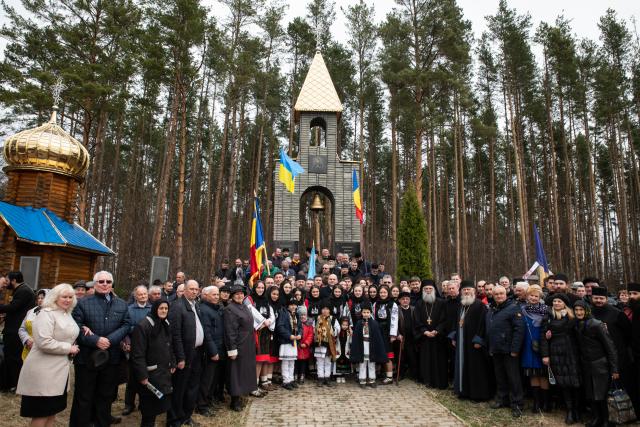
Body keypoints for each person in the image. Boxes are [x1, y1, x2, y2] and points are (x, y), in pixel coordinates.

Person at [70, 271, 130, 427]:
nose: (105, 284)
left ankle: (102, 423)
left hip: (111, 358)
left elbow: (126, 325)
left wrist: (109, 340)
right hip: (86, 358)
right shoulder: (82, 303)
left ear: (112, 284)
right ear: (95, 284)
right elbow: (75, 327)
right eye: (101, 281)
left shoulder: (121, 304)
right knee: (84, 396)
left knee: (105, 395)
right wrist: (95, 340)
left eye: (108, 282)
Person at [16, 284, 78, 427]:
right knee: (41, 413)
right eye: (64, 297)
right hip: (44, 372)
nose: (68, 300)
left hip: (59, 371)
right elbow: (44, 342)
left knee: (52, 412)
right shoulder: (46, 313)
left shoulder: (66, 313)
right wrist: (69, 348)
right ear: (55, 297)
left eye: (70, 297)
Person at [573, 300, 619, 427]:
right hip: (586, 364)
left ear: (587, 310)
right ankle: (596, 418)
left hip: (600, 364)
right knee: (591, 394)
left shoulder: (596, 324)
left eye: (581, 310)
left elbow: (610, 347)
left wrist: (614, 369)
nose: (579, 312)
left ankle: (606, 420)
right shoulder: (576, 324)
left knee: (602, 394)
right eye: (576, 310)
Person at [130, 300, 175, 427]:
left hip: (163, 373)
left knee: (158, 405)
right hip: (150, 374)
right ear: (155, 309)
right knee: (149, 409)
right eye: (161, 308)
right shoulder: (143, 326)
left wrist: (173, 362)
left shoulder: (165, 323)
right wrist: (142, 375)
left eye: (166, 308)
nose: (164, 311)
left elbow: (170, 346)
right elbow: (137, 354)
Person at [590, 285, 635, 410]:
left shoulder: (617, 314)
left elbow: (628, 334)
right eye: (596, 298)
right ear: (591, 298)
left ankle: (624, 411)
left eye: (601, 298)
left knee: (620, 386)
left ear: (606, 299)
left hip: (618, 355)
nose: (598, 300)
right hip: (597, 357)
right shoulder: (589, 312)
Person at [167, 280, 204, 427]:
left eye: (196, 289)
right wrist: (180, 357)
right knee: (179, 389)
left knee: (192, 387)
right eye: (191, 289)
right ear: (184, 290)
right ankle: (174, 420)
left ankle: (186, 416)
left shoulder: (196, 305)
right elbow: (175, 335)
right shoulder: (177, 307)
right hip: (184, 355)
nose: (194, 292)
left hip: (196, 353)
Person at [541, 293, 581, 424]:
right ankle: (569, 410)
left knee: (575, 381)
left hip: (572, 352)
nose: (556, 303)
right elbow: (543, 338)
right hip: (556, 352)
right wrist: (545, 355)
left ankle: (577, 410)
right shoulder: (548, 317)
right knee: (563, 382)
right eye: (555, 301)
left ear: (565, 303)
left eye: (559, 301)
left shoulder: (572, 317)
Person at [450, 281, 493, 401]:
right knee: (463, 366)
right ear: (461, 292)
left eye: (469, 289)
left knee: (476, 368)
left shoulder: (480, 306)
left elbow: (484, 325)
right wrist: (454, 337)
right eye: (464, 290)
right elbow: (456, 323)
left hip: (474, 344)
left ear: (474, 291)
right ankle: (464, 391)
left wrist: (479, 340)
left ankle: (478, 395)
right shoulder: (461, 305)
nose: (467, 292)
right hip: (462, 342)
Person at [486, 285, 525, 418]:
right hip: (496, 349)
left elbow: (519, 330)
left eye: (501, 293)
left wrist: (515, 350)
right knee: (500, 377)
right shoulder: (492, 309)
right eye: (496, 294)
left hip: (509, 351)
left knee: (513, 378)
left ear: (506, 294)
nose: (498, 296)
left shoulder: (513, 308)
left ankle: (517, 404)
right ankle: (502, 399)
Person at [0, 271, 36, 391]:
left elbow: (13, 308)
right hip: (13, 328)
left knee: (13, 358)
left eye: (7, 280)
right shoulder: (20, 290)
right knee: (10, 357)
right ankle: (9, 383)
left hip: (16, 331)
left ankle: (14, 384)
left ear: (14, 280)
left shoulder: (23, 291)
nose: (6, 283)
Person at [224, 285, 258, 411]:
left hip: (247, 344)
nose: (239, 296)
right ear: (232, 296)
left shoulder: (244, 306)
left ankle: (241, 395)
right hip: (238, 345)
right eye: (237, 294)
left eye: (241, 294)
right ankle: (234, 401)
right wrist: (232, 349)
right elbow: (230, 331)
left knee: (244, 371)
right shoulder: (230, 309)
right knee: (235, 373)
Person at [196, 286, 226, 416]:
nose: (216, 297)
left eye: (217, 294)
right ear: (206, 295)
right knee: (207, 380)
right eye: (213, 295)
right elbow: (207, 333)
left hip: (219, 349)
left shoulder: (216, 309)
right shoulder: (204, 310)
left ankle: (208, 401)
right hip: (210, 352)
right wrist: (213, 352)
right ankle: (201, 406)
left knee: (213, 380)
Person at [413, 280, 448, 388]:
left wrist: (437, 330)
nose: (428, 291)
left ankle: (439, 381)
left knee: (439, 360)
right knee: (425, 360)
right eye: (425, 289)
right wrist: (425, 331)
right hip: (425, 338)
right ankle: (426, 380)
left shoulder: (441, 302)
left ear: (434, 290)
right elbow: (416, 320)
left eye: (430, 289)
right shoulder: (419, 303)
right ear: (422, 290)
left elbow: (445, 319)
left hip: (438, 338)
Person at [123, 285, 152, 416]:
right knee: (132, 379)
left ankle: (143, 403)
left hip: (149, 349)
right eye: (140, 294)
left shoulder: (152, 309)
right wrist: (127, 343)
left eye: (145, 294)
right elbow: (124, 329)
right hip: (133, 349)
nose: (143, 296)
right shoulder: (128, 310)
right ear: (135, 296)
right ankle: (129, 404)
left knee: (146, 377)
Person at [520, 285, 549, 413]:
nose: (533, 298)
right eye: (531, 295)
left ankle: (545, 402)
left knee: (543, 374)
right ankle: (536, 402)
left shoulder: (546, 310)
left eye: (536, 296)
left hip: (542, 344)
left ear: (540, 297)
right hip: (528, 344)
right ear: (527, 296)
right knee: (532, 373)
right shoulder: (522, 310)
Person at [247, 281, 275, 396]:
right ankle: (253, 385)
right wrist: (262, 323)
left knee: (263, 359)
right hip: (256, 332)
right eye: (258, 287)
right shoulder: (250, 300)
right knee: (256, 360)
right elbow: (251, 313)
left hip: (266, 333)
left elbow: (271, 314)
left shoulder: (266, 300)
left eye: (262, 287)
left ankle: (259, 383)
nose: (260, 289)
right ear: (254, 288)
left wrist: (268, 322)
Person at [351, 302, 387, 387]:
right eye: (364, 312)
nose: (366, 314)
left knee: (371, 363)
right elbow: (356, 337)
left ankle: (372, 380)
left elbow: (377, 337)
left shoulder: (374, 323)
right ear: (361, 313)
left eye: (367, 312)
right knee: (362, 363)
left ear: (370, 313)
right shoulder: (359, 323)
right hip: (362, 345)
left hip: (371, 346)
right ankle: (362, 380)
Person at [373, 285, 399, 385]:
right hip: (377, 331)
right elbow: (373, 318)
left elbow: (394, 319)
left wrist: (393, 334)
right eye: (381, 292)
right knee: (379, 352)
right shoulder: (376, 304)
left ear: (388, 293)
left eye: (384, 292)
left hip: (387, 331)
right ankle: (380, 374)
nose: (382, 294)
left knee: (387, 354)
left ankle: (389, 376)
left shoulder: (393, 304)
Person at [276, 297, 302, 390]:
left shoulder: (297, 315)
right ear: (288, 305)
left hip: (294, 341)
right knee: (286, 362)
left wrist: (299, 334)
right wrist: (288, 335)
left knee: (292, 361)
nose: (293, 306)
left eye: (295, 304)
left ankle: (291, 379)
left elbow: (300, 327)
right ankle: (285, 380)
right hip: (286, 341)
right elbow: (280, 327)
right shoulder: (283, 313)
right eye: (291, 304)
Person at [314, 301, 339, 387]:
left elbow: (337, 329)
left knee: (328, 362)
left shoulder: (333, 319)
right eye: (323, 308)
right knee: (320, 362)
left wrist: (332, 331)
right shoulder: (317, 319)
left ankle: (327, 378)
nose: (325, 310)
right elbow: (314, 330)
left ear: (330, 310)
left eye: (327, 309)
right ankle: (320, 378)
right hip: (319, 344)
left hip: (329, 344)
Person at [18, 289, 47, 361]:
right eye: (38, 298)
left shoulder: (51, 314)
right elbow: (22, 329)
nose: (40, 300)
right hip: (28, 348)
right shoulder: (30, 312)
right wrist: (27, 339)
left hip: (42, 351)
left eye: (42, 298)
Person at [397, 291, 418, 380]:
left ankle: (414, 374)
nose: (405, 301)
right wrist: (398, 334)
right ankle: (401, 374)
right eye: (403, 299)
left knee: (412, 356)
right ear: (399, 300)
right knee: (401, 357)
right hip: (401, 337)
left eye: (407, 299)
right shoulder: (396, 309)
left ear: (409, 300)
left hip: (412, 337)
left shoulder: (414, 309)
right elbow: (393, 324)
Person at [296, 306, 314, 384]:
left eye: (304, 315)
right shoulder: (296, 323)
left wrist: (306, 343)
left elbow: (310, 335)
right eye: (301, 315)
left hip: (304, 346)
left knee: (303, 361)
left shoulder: (309, 324)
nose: (303, 316)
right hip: (297, 346)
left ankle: (302, 375)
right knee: (296, 361)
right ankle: (295, 374)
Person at [333, 317, 352, 383]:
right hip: (339, 348)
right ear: (340, 324)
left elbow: (350, 341)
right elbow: (335, 339)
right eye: (343, 325)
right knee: (338, 361)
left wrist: (351, 334)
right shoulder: (338, 332)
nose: (344, 326)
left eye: (346, 325)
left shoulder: (348, 332)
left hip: (345, 350)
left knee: (345, 362)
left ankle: (343, 376)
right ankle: (338, 376)